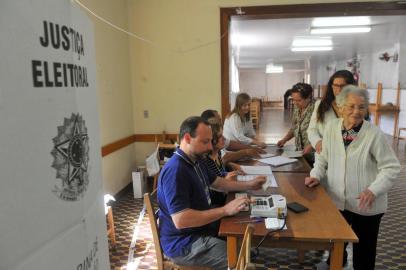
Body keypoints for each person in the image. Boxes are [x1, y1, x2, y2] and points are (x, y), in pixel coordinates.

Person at [305, 85, 400, 270]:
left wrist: (374, 190)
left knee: (364, 253)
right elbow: (322, 156)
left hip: (366, 206)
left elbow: (391, 167)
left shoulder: (373, 134)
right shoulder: (332, 128)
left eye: (362, 107)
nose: (357, 112)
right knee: (336, 244)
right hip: (338, 201)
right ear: (340, 107)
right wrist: (316, 175)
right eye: (351, 106)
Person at [157, 116, 266, 269]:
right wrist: (225, 210)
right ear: (187, 138)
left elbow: (218, 183)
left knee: (245, 245)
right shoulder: (176, 171)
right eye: (205, 142)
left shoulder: (196, 159)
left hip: (200, 228)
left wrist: (249, 184)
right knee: (242, 263)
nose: (210, 147)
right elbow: (181, 220)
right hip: (184, 243)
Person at [307, 70, 356, 154]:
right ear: (331, 86)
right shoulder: (321, 105)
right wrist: (317, 142)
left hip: (350, 153)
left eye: (343, 86)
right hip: (325, 152)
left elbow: (359, 132)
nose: (339, 89)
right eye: (336, 85)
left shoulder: (357, 107)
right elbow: (312, 129)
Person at [277, 83, 315, 165]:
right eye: (293, 99)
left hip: (315, 156)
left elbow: (326, 133)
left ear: (308, 97)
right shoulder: (297, 108)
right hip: (300, 153)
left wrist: (312, 145)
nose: (295, 103)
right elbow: (295, 127)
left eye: (299, 100)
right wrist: (284, 140)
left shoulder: (317, 109)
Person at [201, 109, 265, 154]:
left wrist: (251, 148)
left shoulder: (219, 136)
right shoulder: (208, 144)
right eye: (219, 120)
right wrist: (246, 152)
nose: (221, 123)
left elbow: (230, 144)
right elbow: (224, 158)